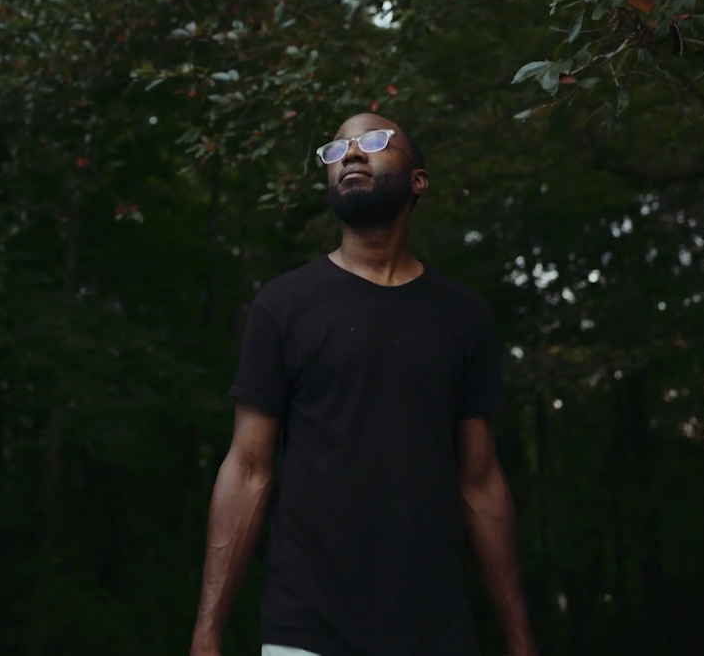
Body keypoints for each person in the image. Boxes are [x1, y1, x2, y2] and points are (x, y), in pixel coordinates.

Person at [189, 113, 537, 656]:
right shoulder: (283, 306)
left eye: (373, 141)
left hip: (435, 632)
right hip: (306, 629)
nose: (351, 153)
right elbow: (248, 469)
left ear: (418, 180)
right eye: (337, 149)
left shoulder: (464, 317)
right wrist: (206, 634)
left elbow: (482, 481)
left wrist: (519, 639)